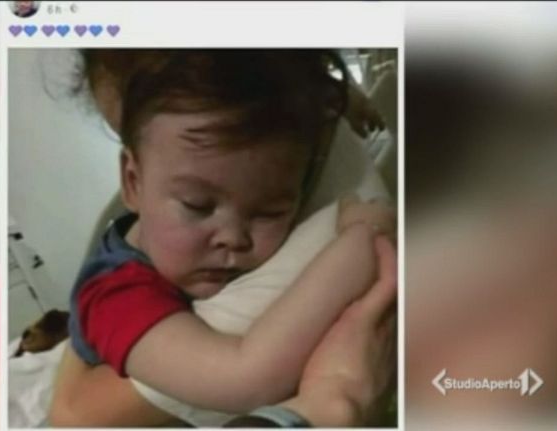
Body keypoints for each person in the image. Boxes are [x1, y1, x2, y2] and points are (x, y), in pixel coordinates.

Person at [49, 50, 395, 426]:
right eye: (197, 206)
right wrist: (362, 240)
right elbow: (245, 379)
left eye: (269, 212)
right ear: (132, 182)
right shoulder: (116, 296)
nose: (233, 238)